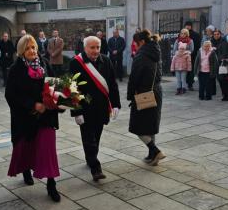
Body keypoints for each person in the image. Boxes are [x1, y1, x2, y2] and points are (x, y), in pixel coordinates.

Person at [5, 34, 61, 202]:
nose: (32, 51)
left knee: (48, 149)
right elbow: (11, 95)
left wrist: (62, 100)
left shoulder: (45, 64)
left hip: (46, 118)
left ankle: (51, 184)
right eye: (28, 48)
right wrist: (33, 105)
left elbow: (55, 86)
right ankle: (26, 170)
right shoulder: (15, 69)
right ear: (22, 51)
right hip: (25, 118)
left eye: (34, 47)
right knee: (26, 146)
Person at [69, 36, 120, 181]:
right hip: (85, 107)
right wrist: (76, 112)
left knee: (96, 137)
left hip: (102, 107)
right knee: (88, 138)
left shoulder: (106, 60)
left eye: (98, 47)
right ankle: (95, 168)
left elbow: (112, 84)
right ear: (85, 48)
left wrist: (116, 104)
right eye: (92, 47)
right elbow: (72, 88)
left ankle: (90, 158)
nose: (96, 50)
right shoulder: (76, 63)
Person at [127, 30, 165, 166]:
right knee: (150, 126)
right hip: (156, 92)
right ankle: (152, 156)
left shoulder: (141, 55)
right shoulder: (156, 51)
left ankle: (155, 151)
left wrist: (131, 95)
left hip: (143, 93)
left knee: (138, 127)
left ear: (142, 42)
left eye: (136, 44)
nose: (135, 46)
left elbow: (134, 78)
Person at [217, 21, 228, 101]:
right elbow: (219, 50)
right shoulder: (223, 38)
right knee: (221, 79)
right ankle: (225, 94)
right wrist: (221, 58)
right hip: (222, 63)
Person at [184, 21, 201, 90]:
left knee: (191, 70)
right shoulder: (182, 34)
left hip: (192, 55)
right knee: (184, 70)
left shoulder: (196, 35)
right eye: (186, 25)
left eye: (189, 25)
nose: (187, 26)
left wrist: (193, 52)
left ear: (191, 26)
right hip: (183, 56)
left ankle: (190, 84)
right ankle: (185, 83)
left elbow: (198, 45)